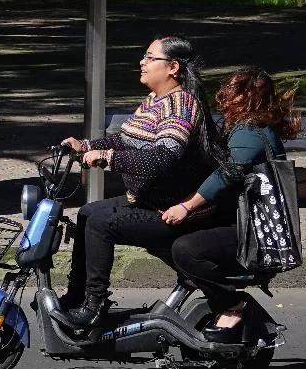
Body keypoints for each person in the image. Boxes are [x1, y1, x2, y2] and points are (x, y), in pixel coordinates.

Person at [59, 36, 225, 327]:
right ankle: (77, 296)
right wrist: (84, 146)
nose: (142, 63)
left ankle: (94, 306)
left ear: (172, 67)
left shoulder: (181, 106)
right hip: (146, 199)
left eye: (150, 58)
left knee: (100, 225)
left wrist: (107, 158)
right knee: (87, 214)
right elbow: (126, 139)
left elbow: (163, 156)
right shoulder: (154, 101)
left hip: (172, 210)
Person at [160, 67, 302, 342]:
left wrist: (186, 206)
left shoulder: (250, 131)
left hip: (256, 233)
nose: (224, 96)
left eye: (233, 92)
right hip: (238, 223)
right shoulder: (241, 127)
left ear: (249, 98)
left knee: (186, 249)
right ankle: (201, 284)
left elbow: (228, 174)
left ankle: (231, 305)